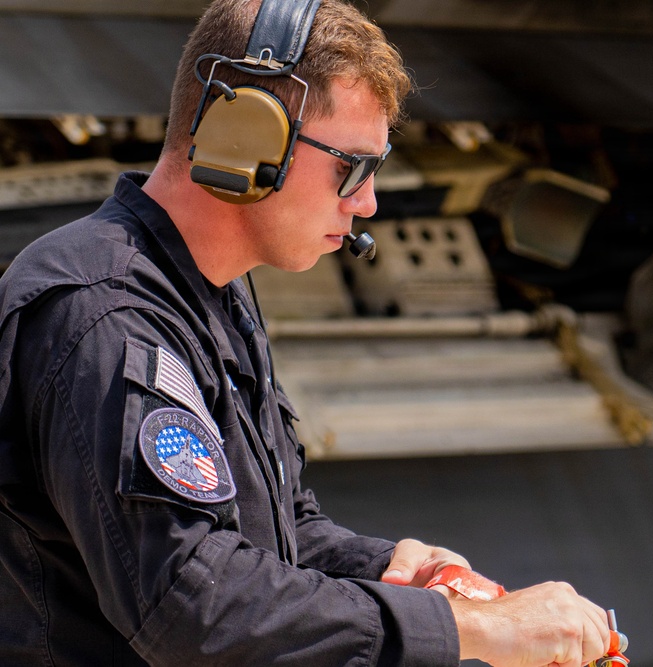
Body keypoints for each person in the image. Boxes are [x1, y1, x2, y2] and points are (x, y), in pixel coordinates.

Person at [0, 0, 612, 665]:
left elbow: (270, 537)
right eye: (351, 166)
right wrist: (466, 630)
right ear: (245, 137)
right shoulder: (108, 318)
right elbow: (192, 605)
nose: (369, 201)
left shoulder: (210, 293)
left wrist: (392, 566)